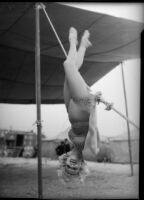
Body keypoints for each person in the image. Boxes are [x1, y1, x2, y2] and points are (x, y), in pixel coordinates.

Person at [58, 27, 101, 183]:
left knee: (72, 70)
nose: (72, 166)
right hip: (83, 106)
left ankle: (82, 44)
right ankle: (73, 41)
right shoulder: (91, 151)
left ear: (65, 162)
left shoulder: (72, 146)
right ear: (82, 166)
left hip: (70, 107)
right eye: (75, 169)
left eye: (68, 167)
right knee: (68, 66)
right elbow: (92, 129)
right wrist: (94, 104)